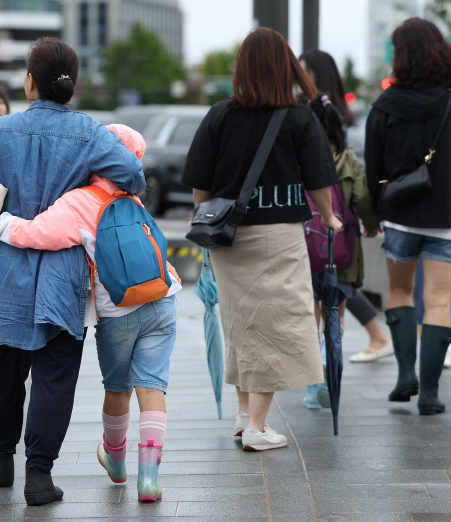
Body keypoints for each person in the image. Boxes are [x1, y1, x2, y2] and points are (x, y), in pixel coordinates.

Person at [0, 37, 145, 505]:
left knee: (3, 366)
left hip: (10, 266)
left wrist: (5, 182)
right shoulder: (91, 133)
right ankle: (39, 474)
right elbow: (133, 176)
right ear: (72, 85)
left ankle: (1, 456)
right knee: (56, 374)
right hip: (65, 274)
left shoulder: (0, 131)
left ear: (29, 81)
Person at [0, 123, 181, 502]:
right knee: (153, 387)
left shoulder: (80, 200)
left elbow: (37, 234)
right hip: (163, 297)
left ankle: (115, 458)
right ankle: (149, 480)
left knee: (118, 388)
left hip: (118, 312)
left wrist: (1, 224)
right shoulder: (134, 196)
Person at [181, 28, 342, 451]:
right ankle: (256, 425)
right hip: (278, 236)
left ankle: (242, 415)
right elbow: (320, 179)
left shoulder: (220, 114)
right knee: (275, 325)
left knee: (240, 321)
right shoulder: (299, 116)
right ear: (283, 66)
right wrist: (329, 217)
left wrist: (206, 222)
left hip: (228, 236)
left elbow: (199, 182)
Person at [365, 17, 451, 415]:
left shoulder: (386, 104)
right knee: (440, 301)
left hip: (399, 216)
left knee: (399, 292)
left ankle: (405, 376)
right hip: (446, 219)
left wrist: (374, 214)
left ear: (400, 56)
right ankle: (431, 393)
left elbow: (372, 164)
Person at [299, 49, 393, 363]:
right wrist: (370, 221)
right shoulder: (342, 139)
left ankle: (315, 369)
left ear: (315, 75)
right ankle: (331, 361)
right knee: (337, 293)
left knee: (313, 298)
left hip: (305, 230)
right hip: (339, 231)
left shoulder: (306, 119)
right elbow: (359, 188)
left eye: (303, 71)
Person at [302, 94, 381, 409]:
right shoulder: (347, 158)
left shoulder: (297, 158)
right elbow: (361, 198)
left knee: (310, 316)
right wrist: (372, 226)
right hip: (340, 249)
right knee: (335, 314)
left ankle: (311, 391)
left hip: (304, 248)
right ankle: (329, 369)